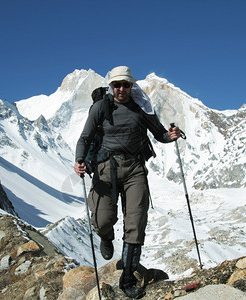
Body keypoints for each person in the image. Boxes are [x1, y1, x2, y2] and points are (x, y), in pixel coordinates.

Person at [74, 66, 180, 298]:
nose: (122, 88)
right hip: (105, 169)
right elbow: (86, 137)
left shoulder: (141, 108)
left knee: (136, 222)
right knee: (103, 219)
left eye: (126, 84)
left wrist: (170, 137)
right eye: (117, 85)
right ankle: (106, 236)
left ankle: (128, 277)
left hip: (134, 169)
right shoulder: (101, 107)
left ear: (132, 85)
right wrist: (79, 160)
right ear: (111, 87)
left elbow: (160, 134)